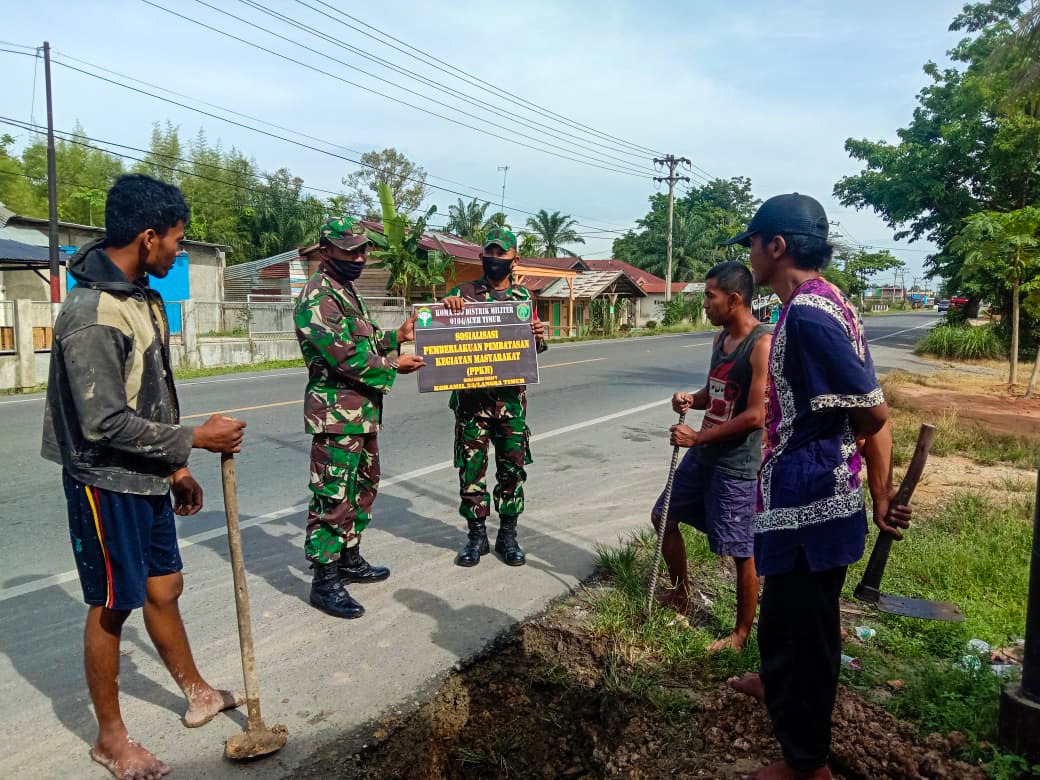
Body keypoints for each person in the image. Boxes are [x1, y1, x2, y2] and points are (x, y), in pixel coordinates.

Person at [42, 174, 248, 780]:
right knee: (113, 603)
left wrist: (177, 465)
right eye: (178, 242)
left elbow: (150, 397)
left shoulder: (140, 296)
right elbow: (103, 422)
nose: (180, 252)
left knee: (165, 587)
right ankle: (111, 739)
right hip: (104, 479)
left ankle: (198, 691)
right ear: (148, 236)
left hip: (147, 474)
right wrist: (194, 440)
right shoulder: (91, 314)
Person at [721, 194, 911, 780]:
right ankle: (775, 685)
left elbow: (873, 413)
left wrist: (878, 491)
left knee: (805, 636)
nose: (749, 256)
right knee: (787, 618)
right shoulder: (825, 302)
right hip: (800, 504)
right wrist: (878, 493)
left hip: (811, 507)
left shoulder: (807, 315)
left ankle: (807, 766)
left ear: (775, 247)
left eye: (753, 244)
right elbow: (865, 407)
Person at [294, 216, 425, 619]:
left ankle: (349, 557)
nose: (361, 256)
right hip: (336, 416)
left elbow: (359, 339)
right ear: (326, 250)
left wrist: (394, 337)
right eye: (351, 250)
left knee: (363, 487)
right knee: (332, 497)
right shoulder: (317, 297)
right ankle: (324, 581)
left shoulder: (344, 290)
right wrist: (393, 364)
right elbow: (345, 356)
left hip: (361, 413)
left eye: (364, 249)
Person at [651, 260, 771, 652]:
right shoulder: (721, 340)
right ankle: (681, 593)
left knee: (740, 552)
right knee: (662, 516)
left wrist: (698, 439)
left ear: (734, 300)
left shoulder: (761, 345)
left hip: (735, 465)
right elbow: (714, 393)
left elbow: (757, 415)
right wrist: (691, 399)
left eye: (710, 296)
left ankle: (740, 634)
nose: (704, 303)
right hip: (704, 455)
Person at [442, 227, 547, 567]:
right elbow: (442, 339)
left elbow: (532, 353)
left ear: (514, 259)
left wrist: (538, 336)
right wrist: (447, 310)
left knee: (512, 471)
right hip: (472, 404)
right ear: (481, 256)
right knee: (471, 471)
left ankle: (508, 536)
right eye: (489, 252)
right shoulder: (463, 294)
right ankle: (476, 537)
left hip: (511, 404)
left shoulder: (522, 301)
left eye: (501, 254)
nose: (494, 259)